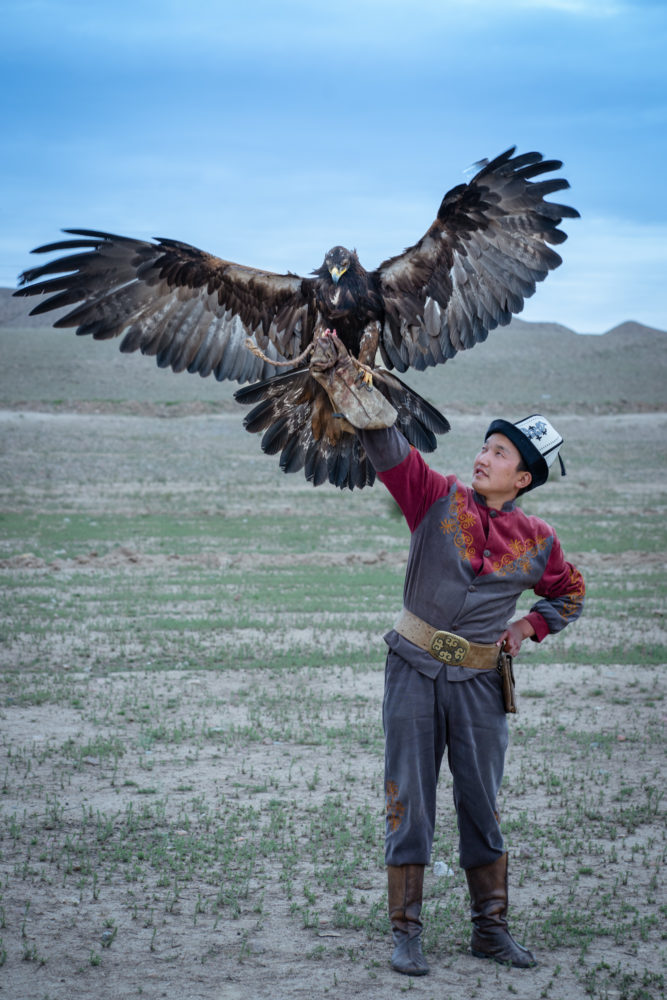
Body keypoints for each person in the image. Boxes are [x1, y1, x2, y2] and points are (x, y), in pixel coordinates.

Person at [351, 414, 586, 976]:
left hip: (481, 683)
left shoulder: (538, 539)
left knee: (482, 802)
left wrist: (529, 627)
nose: (483, 457)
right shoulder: (435, 498)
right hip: (412, 668)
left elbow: (569, 591)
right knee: (409, 798)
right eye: (484, 447)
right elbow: (390, 451)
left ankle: (491, 930)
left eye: (500, 453)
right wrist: (364, 403)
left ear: (523, 479)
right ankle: (406, 934)